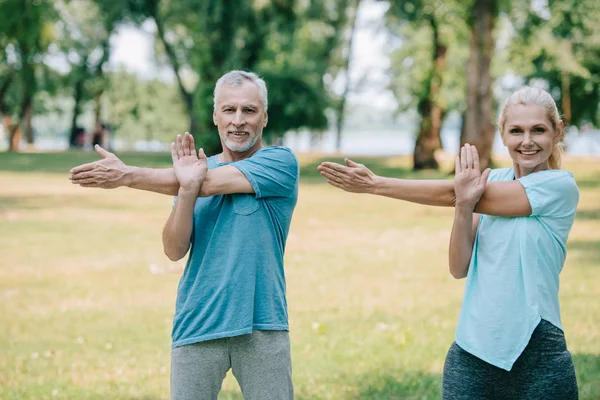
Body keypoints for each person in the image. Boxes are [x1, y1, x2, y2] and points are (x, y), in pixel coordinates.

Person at [318, 86, 579, 399]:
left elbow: (451, 192)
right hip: (473, 348)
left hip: (538, 349)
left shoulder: (560, 187)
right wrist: (464, 205)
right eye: (516, 131)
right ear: (502, 133)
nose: (527, 141)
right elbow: (459, 267)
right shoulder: (489, 180)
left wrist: (376, 184)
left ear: (557, 131)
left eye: (538, 130)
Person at [69, 71, 298, 400]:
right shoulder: (190, 175)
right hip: (197, 319)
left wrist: (127, 175)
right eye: (229, 110)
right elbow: (174, 249)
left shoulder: (279, 162)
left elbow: (208, 183)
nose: (238, 121)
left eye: (249, 110)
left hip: (262, 323)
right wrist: (186, 190)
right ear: (215, 115)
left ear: (264, 117)